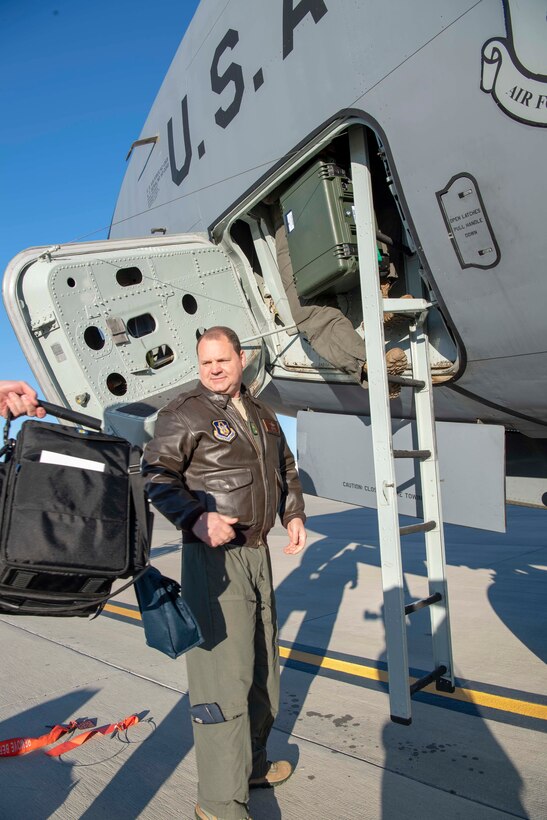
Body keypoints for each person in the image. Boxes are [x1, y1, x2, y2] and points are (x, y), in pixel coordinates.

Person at [142, 326, 307, 820]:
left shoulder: (261, 414)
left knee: (262, 672)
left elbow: (286, 469)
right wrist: (195, 517)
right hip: (213, 559)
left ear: (241, 359)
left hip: (257, 554)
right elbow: (156, 475)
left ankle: (252, 766)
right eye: (205, 362)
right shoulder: (183, 412)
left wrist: (293, 513)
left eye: (222, 360)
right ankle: (218, 802)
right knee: (222, 681)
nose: (214, 369)